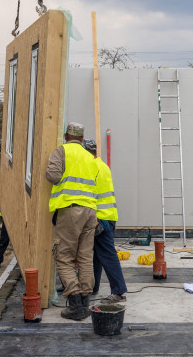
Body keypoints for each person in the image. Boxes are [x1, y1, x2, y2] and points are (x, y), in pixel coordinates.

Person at [46, 122, 99, 321]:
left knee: (64, 256)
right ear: (82, 139)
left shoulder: (61, 152)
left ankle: (75, 304)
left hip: (70, 209)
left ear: (66, 136)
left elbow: (53, 175)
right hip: (90, 211)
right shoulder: (90, 157)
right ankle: (85, 301)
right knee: (85, 257)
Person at [83, 139, 127, 303]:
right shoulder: (102, 165)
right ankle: (92, 287)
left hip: (100, 218)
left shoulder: (91, 167)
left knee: (107, 255)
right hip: (109, 216)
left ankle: (119, 291)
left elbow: (89, 194)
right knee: (97, 255)